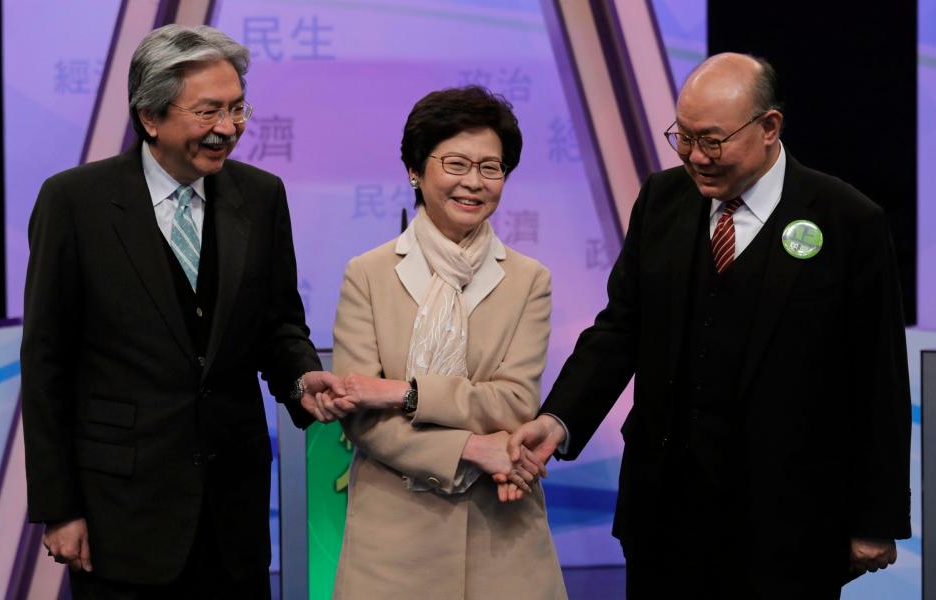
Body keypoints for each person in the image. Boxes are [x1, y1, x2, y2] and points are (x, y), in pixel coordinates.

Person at [508, 53, 911, 599]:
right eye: (684, 137)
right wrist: (559, 418)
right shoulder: (661, 200)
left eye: (713, 141)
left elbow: (877, 379)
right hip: (664, 518)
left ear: (770, 128)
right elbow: (620, 328)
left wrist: (875, 517)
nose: (696, 156)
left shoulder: (848, 221)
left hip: (790, 526)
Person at [21, 24, 343, 598]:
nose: (228, 128)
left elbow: (279, 323)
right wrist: (59, 507)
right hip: (119, 511)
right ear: (151, 117)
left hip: (233, 512)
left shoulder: (261, 196)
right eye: (208, 111)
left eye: (237, 108)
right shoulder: (75, 202)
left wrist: (300, 377)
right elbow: (46, 363)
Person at [324, 86, 566, 599]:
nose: (473, 183)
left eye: (491, 168)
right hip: (392, 541)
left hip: (502, 537)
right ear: (415, 169)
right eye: (455, 164)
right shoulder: (368, 274)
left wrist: (402, 393)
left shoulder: (529, 279)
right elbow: (360, 412)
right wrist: (474, 447)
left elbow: (514, 401)